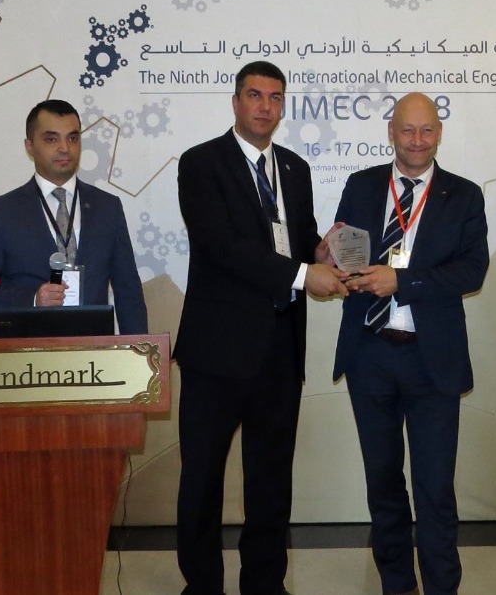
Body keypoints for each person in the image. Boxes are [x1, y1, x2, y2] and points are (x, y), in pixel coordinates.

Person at [174, 60, 347, 595]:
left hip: (279, 348)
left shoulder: (294, 168)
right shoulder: (201, 163)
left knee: (271, 480)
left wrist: (319, 252)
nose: (265, 107)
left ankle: (265, 584)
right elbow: (223, 247)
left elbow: (296, 241)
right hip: (216, 352)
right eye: (254, 95)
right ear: (236, 101)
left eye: (274, 97)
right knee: (202, 478)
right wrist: (304, 274)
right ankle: (202, 585)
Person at [330, 92, 489, 595]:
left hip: (431, 359)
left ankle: (442, 587)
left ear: (438, 133)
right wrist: (330, 257)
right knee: (383, 484)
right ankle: (396, 584)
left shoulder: (464, 195)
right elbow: (343, 254)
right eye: (407, 129)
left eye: (426, 130)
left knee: (435, 488)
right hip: (369, 354)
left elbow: (472, 270)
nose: (417, 140)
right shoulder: (361, 185)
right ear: (391, 132)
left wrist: (403, 281)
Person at [0, 98, 147, 333]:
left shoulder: (108, 208)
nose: (64, 148)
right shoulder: (1, 212)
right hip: (27, 351)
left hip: (94, 350)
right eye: (51, 139)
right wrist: (33, 299)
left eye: (73, 138)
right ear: (29, 146)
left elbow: (128, 292)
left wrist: (139, 350)